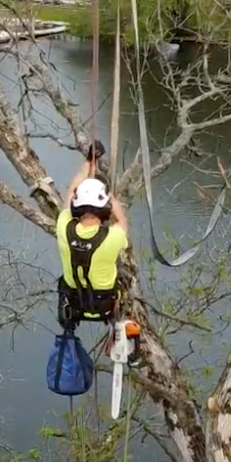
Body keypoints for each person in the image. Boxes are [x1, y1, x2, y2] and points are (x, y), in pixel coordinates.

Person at [55, 153, 138, 364]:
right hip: (106, 307)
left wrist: (88, 163)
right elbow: (122, 221)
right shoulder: (112, 237)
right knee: (126, 276)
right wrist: (110, 197)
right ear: (105, 207)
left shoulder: (64, 228)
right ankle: (126, 342)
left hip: (75, 306)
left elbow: (71, 192)